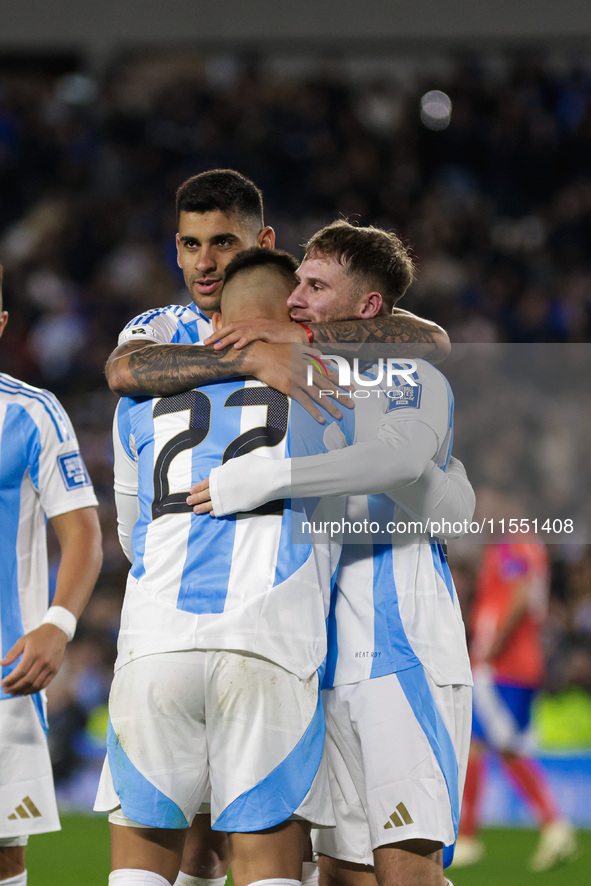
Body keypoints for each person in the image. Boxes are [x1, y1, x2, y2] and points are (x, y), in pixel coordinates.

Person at [104, 168, 451, 886]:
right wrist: (256, 352)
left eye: (223, 242)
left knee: (341, 866)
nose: (204, 263)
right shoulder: (166, 329)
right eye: (191, 245)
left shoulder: (322, 340)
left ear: (264, 242)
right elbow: (121, 367)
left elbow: (429, 340)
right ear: (174, 249)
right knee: (262, 857)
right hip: (276, 633)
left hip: (187, 632)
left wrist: (279, 339)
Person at [188, 222, 474, 886]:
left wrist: (263, 479)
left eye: (315, 288)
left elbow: (398, 458)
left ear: (369, 307)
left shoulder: (408, 374)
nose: (295, 301)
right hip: (313, 662)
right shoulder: (305, 386)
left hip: (395, 651)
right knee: (341, 875)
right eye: (297, 286)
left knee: (407, 869)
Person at [0, 263, 103, 886]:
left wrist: (57, 626)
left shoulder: (31, 413)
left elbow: (84, 533)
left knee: (4, 856)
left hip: (3, 673)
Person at [453, 542, 577, 872]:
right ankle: (467, 836)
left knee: (507, 747)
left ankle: (555, 826)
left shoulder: (511, 547)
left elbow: (520, 594)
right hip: (518, 663)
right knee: (478, 745)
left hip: (503, 666)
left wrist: (490, 649)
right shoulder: (527, 547)